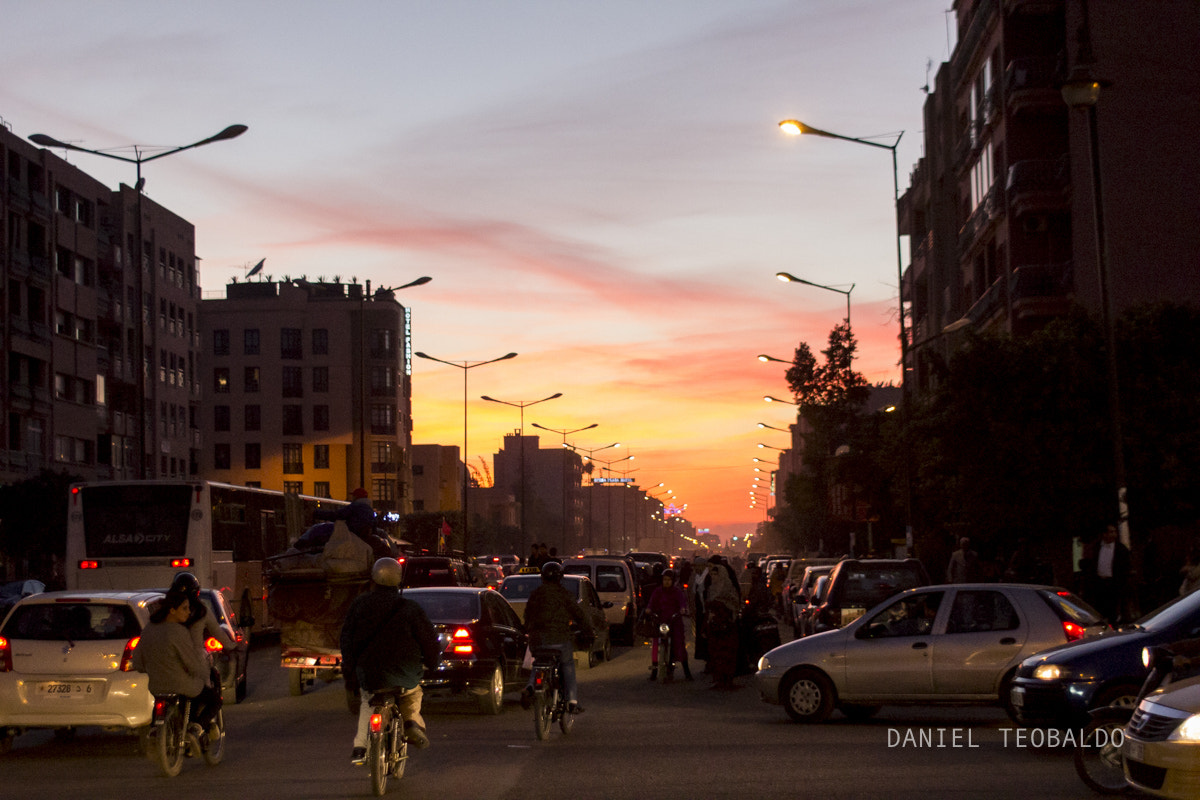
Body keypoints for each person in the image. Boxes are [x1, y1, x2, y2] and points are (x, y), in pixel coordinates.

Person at [340, 557, 439, 766]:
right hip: (405, 672)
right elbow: (429, 640)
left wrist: (349, 670)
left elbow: (346, 639)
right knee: (413, 694)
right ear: (398, 581)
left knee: (368, 700)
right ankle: (411, 722)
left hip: (370, 673)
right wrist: (432, 663)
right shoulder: (410, 608)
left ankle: (360, 747)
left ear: (374, 578)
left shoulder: (359, 604)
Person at [132, 589, 222, 747]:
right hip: (182, 685)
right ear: (172, 610)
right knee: (214, 700)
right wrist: (202, 675)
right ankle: (195, 729)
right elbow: (192, 663)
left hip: (156, 685)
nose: (188, 612)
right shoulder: (178, 631)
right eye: (184, 608)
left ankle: (155, 732)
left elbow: (138, 662)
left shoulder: (149, 629)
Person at [520, 561, 593, 714]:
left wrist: (530, 630)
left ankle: (530, 687)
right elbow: (579, 615)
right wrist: (587, 630)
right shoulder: (564, 594)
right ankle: (572, 701)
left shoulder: (536, 594)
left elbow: (527, 616)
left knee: (538, 664)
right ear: (560, 578)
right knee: (567, 664)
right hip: (559, 639)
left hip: (537, 640)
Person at [315, 488, 392, 558]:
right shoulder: (369, 509)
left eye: (353, 496)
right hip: (364, 537)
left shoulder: (354, 507)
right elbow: (374, 525)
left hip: (353, 537)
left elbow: (336, 515)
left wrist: (317, 513)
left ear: (356, 497)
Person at [646, 569, 692, 681]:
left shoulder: (677, 592)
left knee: (679, 643)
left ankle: (687, 671)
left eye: (669, 580)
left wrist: (682, 609)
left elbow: (682, 603)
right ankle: (654, 670)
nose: (666, 582)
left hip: (674, 621)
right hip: (660, 621)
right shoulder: (658, 591)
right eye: (664, 580)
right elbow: (651, 603)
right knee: (655, 643)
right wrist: (649, 609)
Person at [1084, 524, 1131, 624]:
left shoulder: (1121, 549)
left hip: (1113, 583)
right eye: (1111, 532)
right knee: (1100, 608)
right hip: (1100, 582)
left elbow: (1125, 568)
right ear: (1104, 534)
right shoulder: (1097, 547)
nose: (1114, 534)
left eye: (1114, 532)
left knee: (1113, 609)